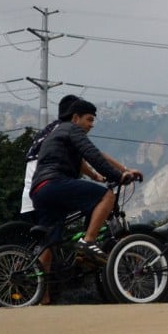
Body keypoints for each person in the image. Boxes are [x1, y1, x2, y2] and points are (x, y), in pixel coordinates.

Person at [30, 98, 144, 263]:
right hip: (54, 183)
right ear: (76, 118)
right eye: (89, 119)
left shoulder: (59, 133)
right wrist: (118, 176)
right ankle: (88, 241)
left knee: (49, 243)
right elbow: (93, 155)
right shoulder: (72, 129)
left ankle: (41, 287)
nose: (92, 125)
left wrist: (101, 175)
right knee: (106, 196)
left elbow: (91, 157)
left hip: (39, 190)